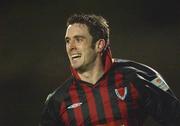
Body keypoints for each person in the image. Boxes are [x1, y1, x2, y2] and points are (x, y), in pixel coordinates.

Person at [39, 14, 180, 126]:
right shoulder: (57, 101)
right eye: (68, 41)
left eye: (79, 39)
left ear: (99, 45)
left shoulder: (136, 78)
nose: (71, 47)